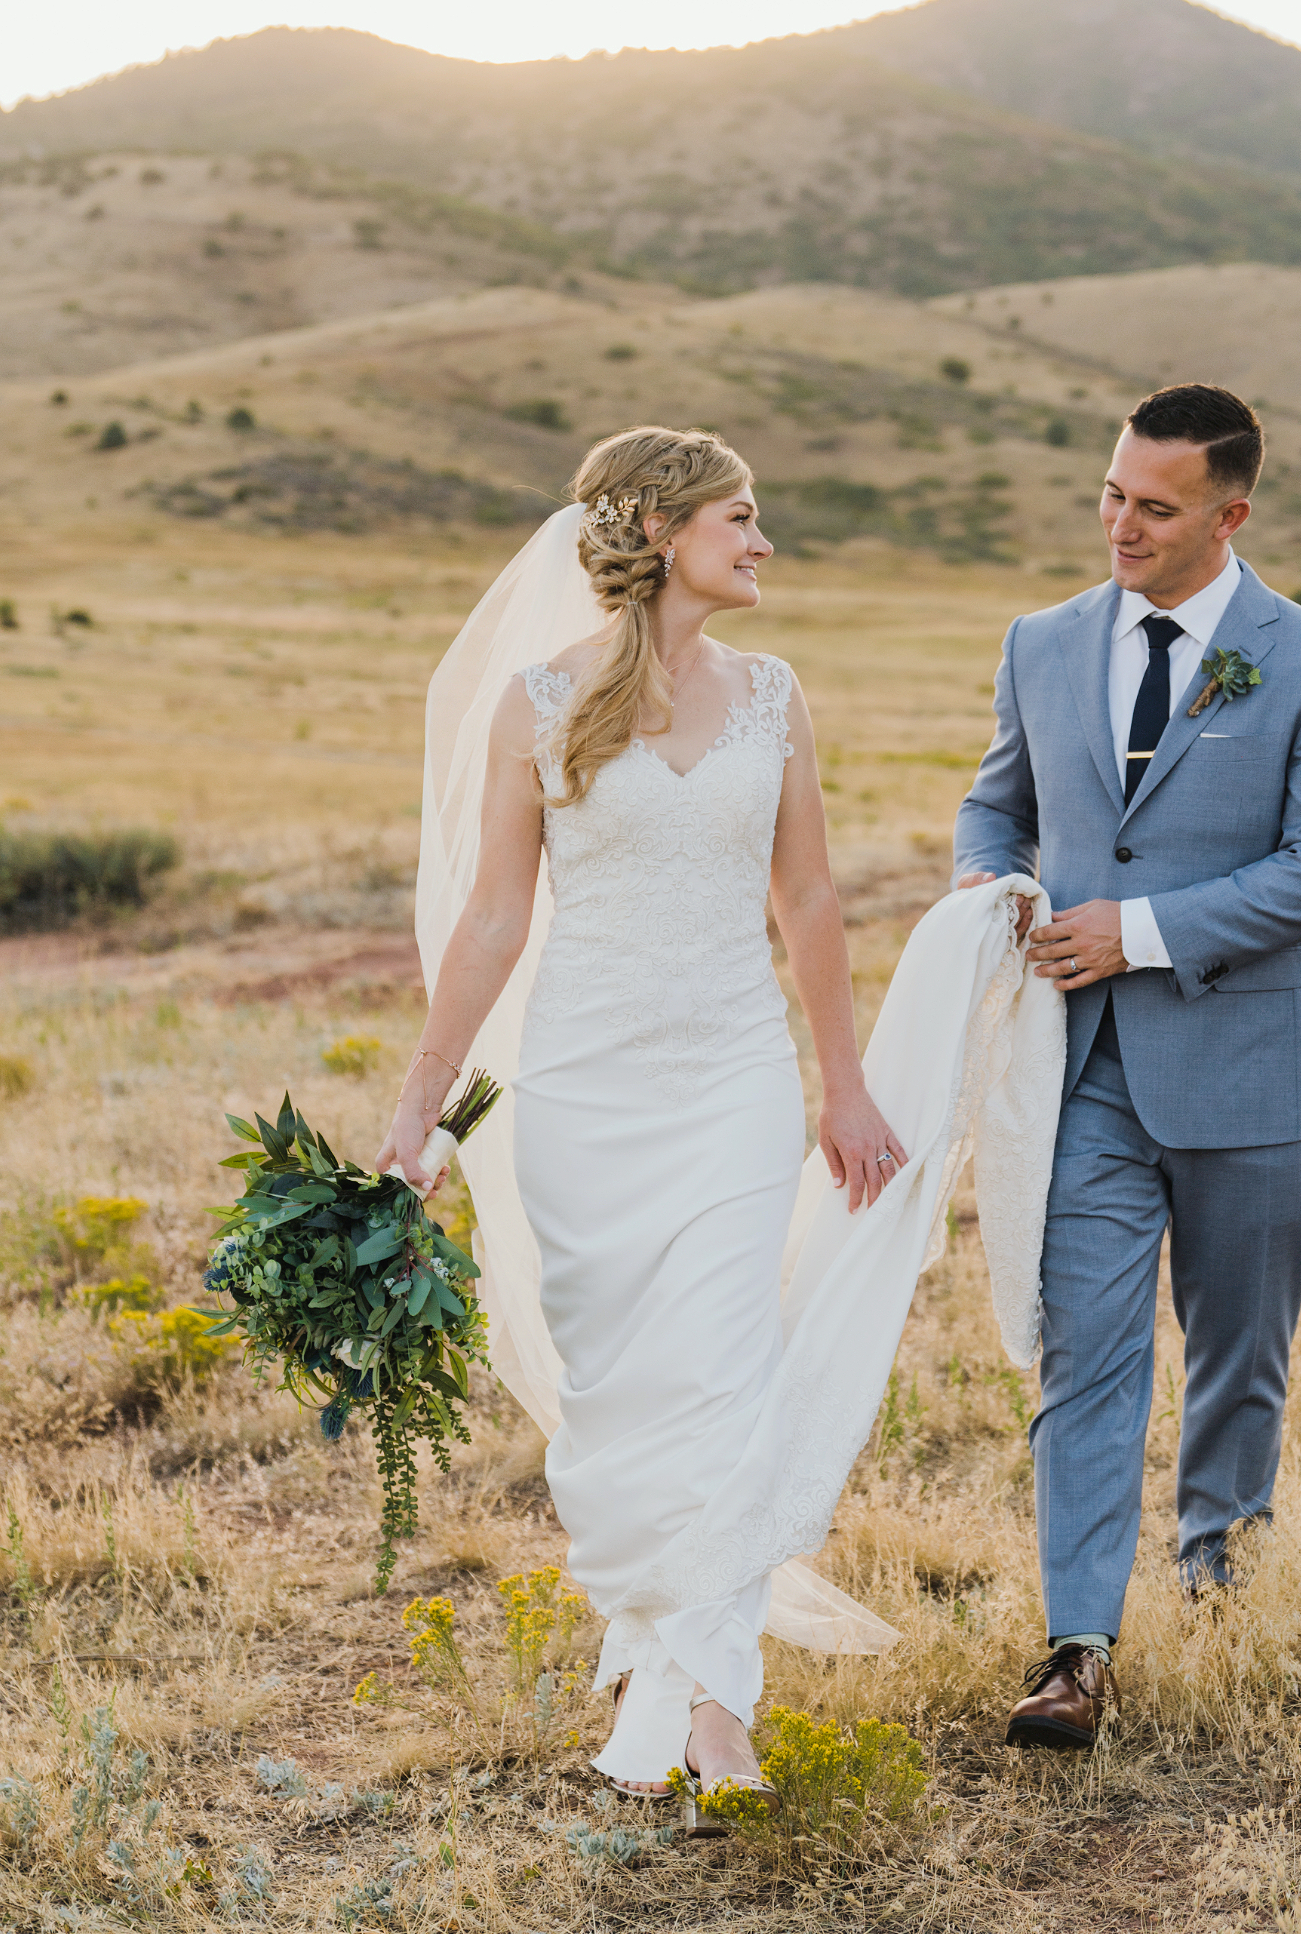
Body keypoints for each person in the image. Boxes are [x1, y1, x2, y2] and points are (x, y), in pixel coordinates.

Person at [379, 426, 910, 1800]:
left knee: (727, 1386)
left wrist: (841, 1086)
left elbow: (807, 902)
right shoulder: (539, 702)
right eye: (741, 517)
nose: (763, 541)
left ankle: (711, 1701)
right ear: (665, 532)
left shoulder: (775, 696)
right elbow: (496, 918)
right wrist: (421, 1105)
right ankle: (652, 1648)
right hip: (581, 1091)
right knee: (622, 1403)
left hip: (733, 1081)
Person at [953, 381, 1301, 1749]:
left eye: (1154, 505)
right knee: (1083, 1355)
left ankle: (1222, 1582)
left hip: (1247, 1063)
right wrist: (993, 891)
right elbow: (995, 802)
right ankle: (1075, 1648)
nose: (1120, 523)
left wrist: (1134, 931)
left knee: (1236, 1354)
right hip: (1081, 1073)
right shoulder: (1039, 641)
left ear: (1228, 513)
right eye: (1109, 493)